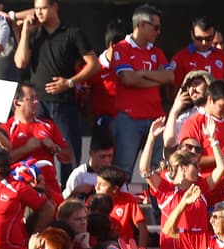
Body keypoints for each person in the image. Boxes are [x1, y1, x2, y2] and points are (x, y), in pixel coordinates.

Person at [12, 0, 99, 163]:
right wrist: (24, 31)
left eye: (43, 8)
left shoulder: (72, 33)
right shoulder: (34, 33)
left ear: (54, 7)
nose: (39, 12)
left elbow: (94, 64)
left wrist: (70, 82)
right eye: (37, 9)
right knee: (37, 151)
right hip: (37, 104)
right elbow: (20, 62)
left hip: (63, 103)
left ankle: (70, 188)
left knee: (68, 153)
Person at [111, 5, 173, 175]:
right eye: (156, 27)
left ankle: (156, 203)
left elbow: (169, 77)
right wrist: (156, 78)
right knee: (123, 170)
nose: (159, 32)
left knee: (157, 170)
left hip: (155, 118)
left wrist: (143, 74)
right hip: (129, 118)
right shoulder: (121, 48)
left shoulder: (157, 52)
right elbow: (128, 79)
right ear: (142, 25)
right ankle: (120, 203)